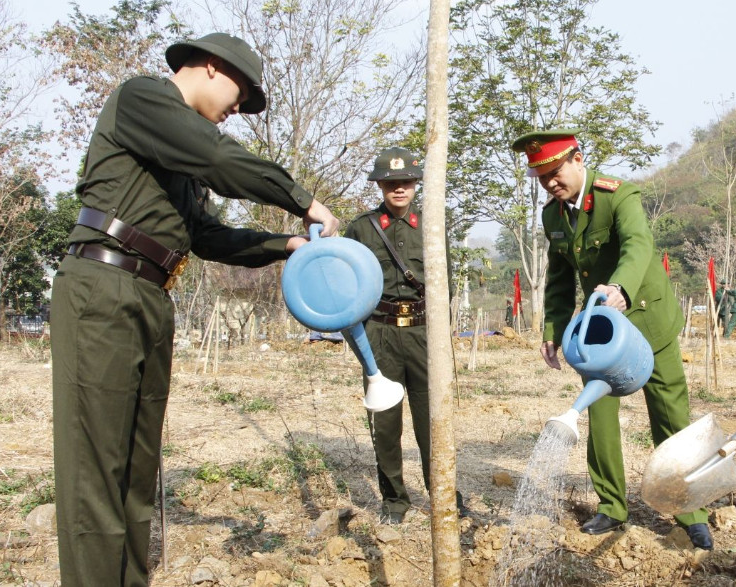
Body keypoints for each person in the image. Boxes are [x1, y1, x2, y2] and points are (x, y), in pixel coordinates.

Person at [50, 33, 341, 586]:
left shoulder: (177, 162)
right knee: (95, 471)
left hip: (150, 297)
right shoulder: (142, 100)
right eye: (240, 94)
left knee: (137, 472)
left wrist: (284, 246)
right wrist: (300, 198)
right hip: (103, 289)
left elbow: (204, 236)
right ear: (211, 67)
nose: (238, 110)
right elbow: (217, 158)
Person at [512, 128, 712, 549]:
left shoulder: (617, 195)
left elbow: (638, 244)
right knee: (600, 417)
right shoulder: (553, 216)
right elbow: (560, 280)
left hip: (647, 320)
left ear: (578, 159)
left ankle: (690, 511)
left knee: (671, 417)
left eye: (555, 170)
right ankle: (611, 506)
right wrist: (553, 330)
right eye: (542, 176)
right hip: (600, 331)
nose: (551, 182)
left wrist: (620, 286)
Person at [343, 147, 467, 524]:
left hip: (423, 334)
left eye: (406, 182)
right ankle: (395, 500)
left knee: (432, 419)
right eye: (391, 183)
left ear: (416, 184)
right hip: (379, 333)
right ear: (380, 185)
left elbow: (443, 284)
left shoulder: (432, 225)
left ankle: (442, 493)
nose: (399, 189)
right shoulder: (362, 228)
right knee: (386, 422)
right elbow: (348, 283)